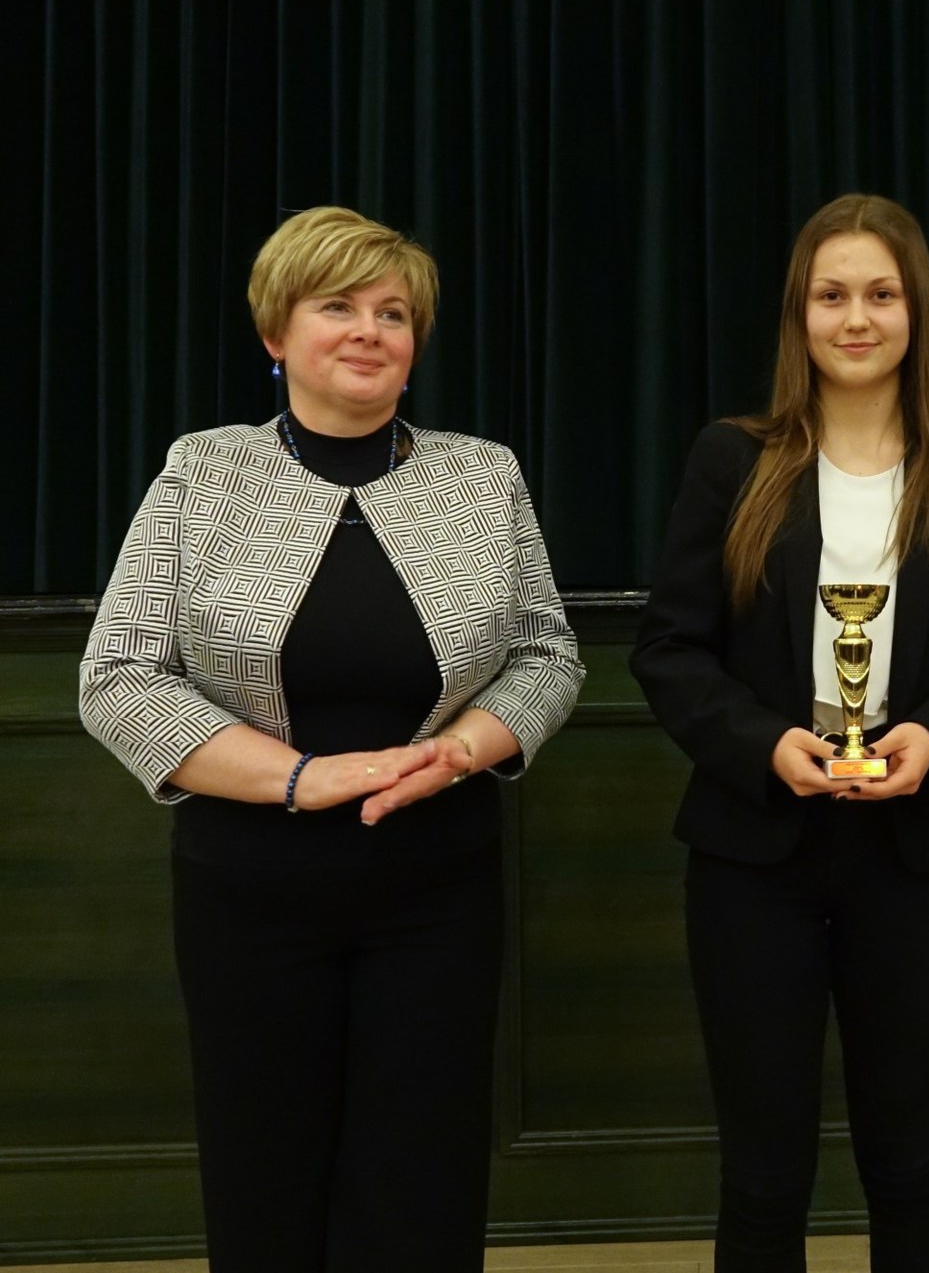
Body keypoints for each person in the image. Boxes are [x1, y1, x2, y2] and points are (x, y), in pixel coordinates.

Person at [78, 205, 584, 1271]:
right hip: (250, 888)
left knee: (424, 1182)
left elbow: (548, 654)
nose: (369, 331)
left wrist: (460, 751)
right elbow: (119, 675)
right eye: (337, 307)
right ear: (276, 332)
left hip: (438, 885)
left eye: (393, 313)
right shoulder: (202, 472)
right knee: (265, 1179)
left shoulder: (482, 476)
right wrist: (301, 777)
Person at [631, 193, 929, 1272]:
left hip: (911, 856)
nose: (857, 318)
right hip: (753, 857)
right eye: (832, 295)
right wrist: (765, 742)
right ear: (799, 315)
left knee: (910, 1160)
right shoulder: (732, 459)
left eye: (882, 294)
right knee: (765, 1171)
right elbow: (670, 649)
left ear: (917, 310)